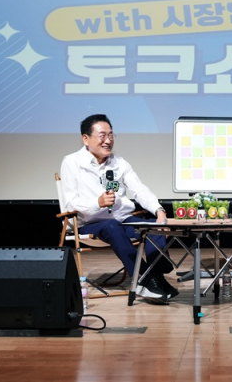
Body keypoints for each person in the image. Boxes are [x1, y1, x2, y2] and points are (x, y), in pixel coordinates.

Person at [60, 114, 178, 305]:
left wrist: (159, 210)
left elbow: (140, 190)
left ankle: (155, 275)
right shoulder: (72, 163)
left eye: (111, 135)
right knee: (112, 226)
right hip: (90, 223)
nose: (108, 141)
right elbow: (70, 204)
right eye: (102, 136)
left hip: (122, 220)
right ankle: (145, 280)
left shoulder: (119, 163)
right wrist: (97, 202)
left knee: (153, 226)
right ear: (86, 139)